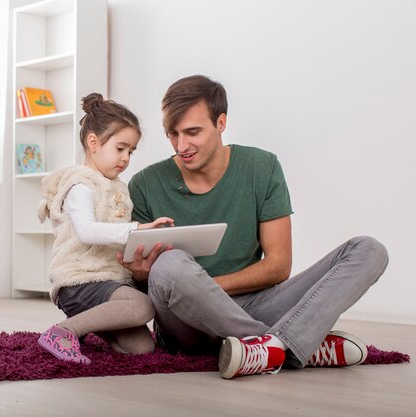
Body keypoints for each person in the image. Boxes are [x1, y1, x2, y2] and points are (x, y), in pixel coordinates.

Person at [120, 75, 389, 379]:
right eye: (173, 134)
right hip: (184, 324)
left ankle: (265, 348)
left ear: (221, 122)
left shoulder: (262, 167)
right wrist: (144, 272)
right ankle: (294, 345)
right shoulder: (144, 184)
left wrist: (207, 290)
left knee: (369, 250)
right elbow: (150, 281)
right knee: (169, 265)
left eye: (193, 132)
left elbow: (277, 266)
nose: (182, 145)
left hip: (254, 304)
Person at [37, 93, 174, 365]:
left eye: (131, 152)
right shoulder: (80, 186)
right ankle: (64, 331)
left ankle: (83, 325)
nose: (125, 158)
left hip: (107, 281)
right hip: (79, 282)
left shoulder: (117, 187)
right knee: (142, 306)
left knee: (141, 348)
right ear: (93, 143)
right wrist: (138, 229)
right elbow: (88, 231)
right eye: (120, 148)